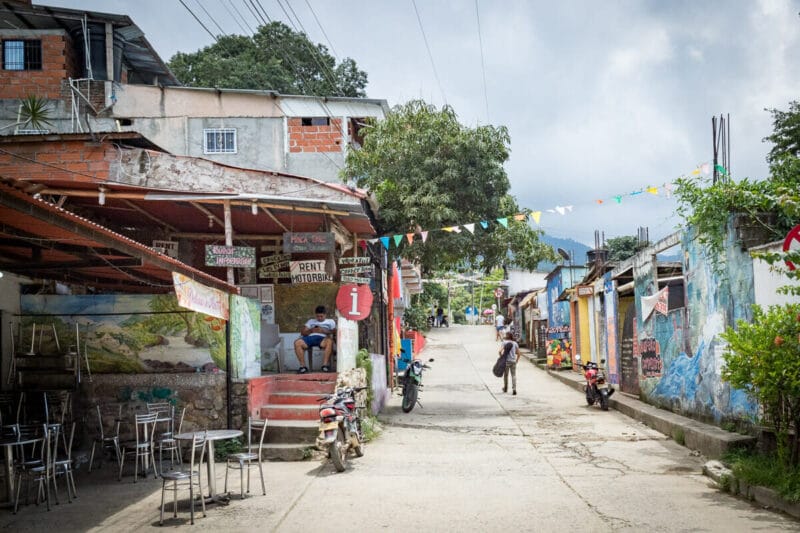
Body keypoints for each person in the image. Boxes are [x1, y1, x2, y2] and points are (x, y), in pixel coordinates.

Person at [294, 305, 336, 374]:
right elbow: (303, 332)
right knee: (297, 342)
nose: (319, 318)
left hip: (323, 338)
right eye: (317, 316)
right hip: (310, 338)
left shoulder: (330, 321)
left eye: (321, 316)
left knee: (329, 341)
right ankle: (303, 367)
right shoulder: (311, 321)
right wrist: (311, 330)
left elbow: (334, 332)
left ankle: (325, 366)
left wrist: (323, 331)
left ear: (325, 315)